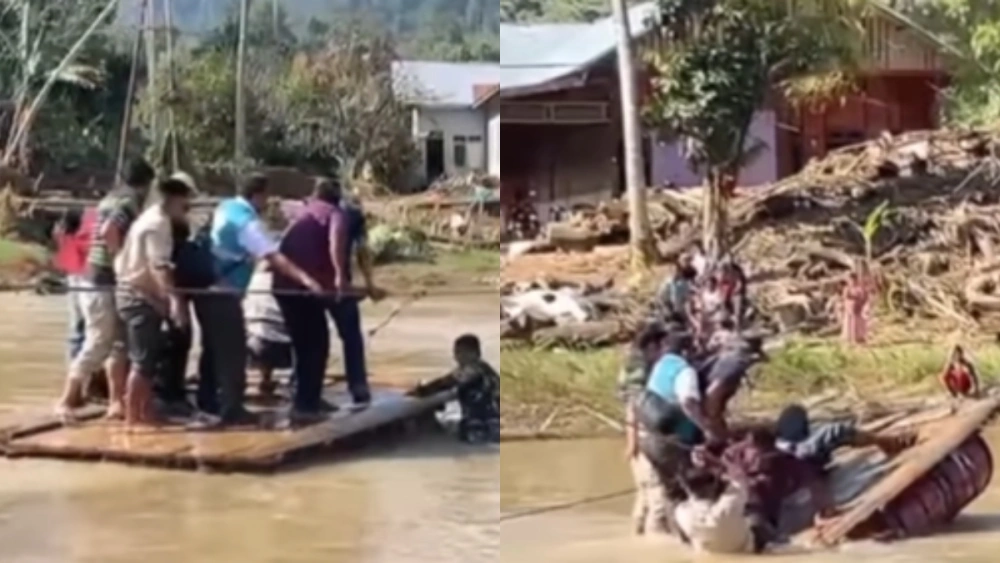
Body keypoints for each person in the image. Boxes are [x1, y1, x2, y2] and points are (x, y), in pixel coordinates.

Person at [195, 174, 322, 427]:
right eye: (266, 196)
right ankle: (232, 409)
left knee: (211, 349)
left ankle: (207, 402)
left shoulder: (225, 207)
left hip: (205, 288)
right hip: (225, 293)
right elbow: (273, 257)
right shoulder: (247, 222)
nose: (267, 202)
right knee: (233, 351)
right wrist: (307, 280)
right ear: (258, 195)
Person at [55, 159, 156, 421]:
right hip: (102, 279)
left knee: (116, 344)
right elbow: (112, 230)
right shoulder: (128, 202)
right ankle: (67, 399)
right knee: (99, 341)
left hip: (95, 278)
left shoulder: (109, 199)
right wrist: (121, 260)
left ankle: (116, 402)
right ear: (145, 184)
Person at [114, 172, 194, 426]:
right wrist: (175, 303)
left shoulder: (153, 218)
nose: (187, 208)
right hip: (138, 297)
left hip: (139, 295)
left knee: (147, 360)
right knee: (143, 362)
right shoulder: (158, 224)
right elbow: (158, 266)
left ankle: (144, 412)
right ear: (174, 199)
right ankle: (132, 418)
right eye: (186, 203)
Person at [619, 322, 669, 535]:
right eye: (663, 345)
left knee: (644, 493)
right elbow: (633, 404)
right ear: (653, 345)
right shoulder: (641, 368)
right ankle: (655, 546)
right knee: (656, 495)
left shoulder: (634, 362)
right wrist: (632, 443)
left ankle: (637, 536)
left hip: (640, 433)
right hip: (643, 435)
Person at [409, 334, 499, 444]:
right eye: (456, 352)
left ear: (476, 353)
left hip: (483, 422)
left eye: (462, 352)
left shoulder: (473, 369)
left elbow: (446, 382)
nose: (457, 357)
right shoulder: (484, 368)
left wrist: (422, 391)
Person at [775, 404, 915, 470]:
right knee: (835, 431)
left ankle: (882, 441)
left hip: (782, 449)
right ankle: (884, 442)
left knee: (794, 413)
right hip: (795, 458)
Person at [673, 464, 757, 554]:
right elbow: (738, 483)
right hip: (744, 550)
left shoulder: (681, 512)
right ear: (712, 485)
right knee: (756, 518)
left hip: (707, 554)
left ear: (686, 488)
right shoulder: (731, 501)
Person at [245, 264, 292, 399]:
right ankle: (297, 384)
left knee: (258, 326)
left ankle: (265, 378)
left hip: (253, 344)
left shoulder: (252, 279)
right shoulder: (285, 280)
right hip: (283, 347)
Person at [842, 270, 870, 346]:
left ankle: (859, 338)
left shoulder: (860, 288)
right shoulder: (847, 288)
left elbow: (865, 297)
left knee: (859, 323)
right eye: (851, 280)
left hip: (858, 309)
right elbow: (845, 297)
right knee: (850, 323)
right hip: (850, 309)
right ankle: (850, 338)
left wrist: (862, 303)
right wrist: (851, 299)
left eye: (854, 280)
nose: (852, 282)